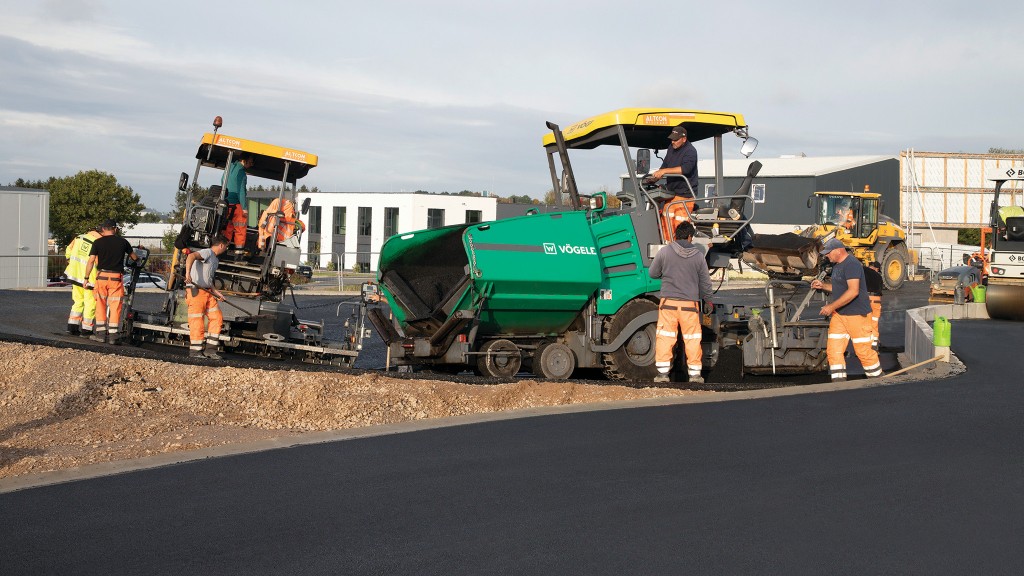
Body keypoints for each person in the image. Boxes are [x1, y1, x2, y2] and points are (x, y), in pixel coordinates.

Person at [648, 221, 713, 384]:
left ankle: (663, 375)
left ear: (676, 235)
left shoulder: (664, 252)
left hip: (668, 303)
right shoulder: (698, 256)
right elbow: (705, 282)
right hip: (689, 305)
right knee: (692, 338)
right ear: (690, 237)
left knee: (665, 336)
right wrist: (708, 301)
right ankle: (695, 375)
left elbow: (653, 273)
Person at [810, 238, 883, 382]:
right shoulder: (837, 266)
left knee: (864, 352)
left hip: (857, 316)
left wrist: (831, 307)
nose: (827, 256)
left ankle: (878, 381)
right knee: (833, 350)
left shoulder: (852, 264)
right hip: (840, 315)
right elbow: (840, 288)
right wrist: (823, 285)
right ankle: (839, 385)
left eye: (829, 253)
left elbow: (853, 291)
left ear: (838, 250)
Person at [83, 220, 138, 343]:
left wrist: (86, 278)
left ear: (103, 229)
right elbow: (134, 257)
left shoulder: (97, 242)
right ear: (115, 229)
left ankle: (101, 335)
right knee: (115, 305)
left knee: (100, 304)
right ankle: (113, 335)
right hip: (116, 278)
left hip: (101, 277)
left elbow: (91, 261)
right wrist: (137, 257)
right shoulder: (123, 242)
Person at [183, 235, 229, 359]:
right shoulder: (207, 252)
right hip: (196, 292)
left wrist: (216, 292)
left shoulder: (215, 260)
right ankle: (196, 351)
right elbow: (191, 256)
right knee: (197, 321)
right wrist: (188, 274)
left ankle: (210, 350)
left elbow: (209, 279)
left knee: (217, 318)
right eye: (226, 246)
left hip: (208, 292)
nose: (226, 249)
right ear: (221, 245)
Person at [649, 124, 699, 236]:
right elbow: (664, 166)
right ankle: (667, 247)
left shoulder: (690, 151)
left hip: (684, 195)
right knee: (666, 223)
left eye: (676, 140)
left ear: (684, 139)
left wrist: (664, 171)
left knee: (680, 226)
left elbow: (686, 169)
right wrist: (654, 178)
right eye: (672, 139)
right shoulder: (671, 148)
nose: (673, 142)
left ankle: (680, 249)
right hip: (671, 194)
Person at [63, 225, 102, 336]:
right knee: (90, 303)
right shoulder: (99, 242)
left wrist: (70, 261)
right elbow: (98, 261)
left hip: (75, 275)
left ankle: (72, 327)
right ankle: (86, 330)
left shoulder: (79, 238)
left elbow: (68, 250)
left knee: (78, 301)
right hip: (89, 277)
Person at [224, 152, 254, 256]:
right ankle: (239, 253)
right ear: (244, 161)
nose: (251, 165)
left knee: (228, 226)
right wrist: (244, 208)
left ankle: (223, 248)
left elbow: (222, 181)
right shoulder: (241, 172)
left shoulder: (230, 167)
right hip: (236, 204)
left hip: (226, 203)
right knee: (240, 227)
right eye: (250, 162)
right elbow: (241, 191)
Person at [864, 261, 884, 351]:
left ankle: (867, 343)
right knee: (874, 321)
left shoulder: (864, 272)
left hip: (866, 299)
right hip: (876, 300)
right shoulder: (879, 277)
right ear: (877, 268)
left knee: (865, 321)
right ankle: (875, 343)